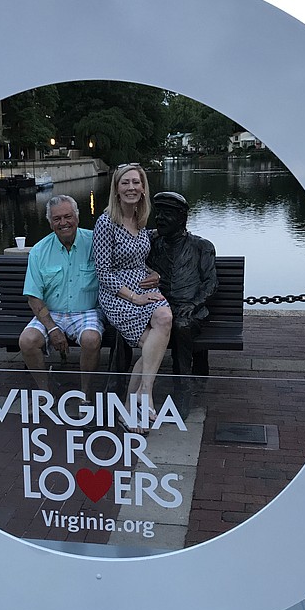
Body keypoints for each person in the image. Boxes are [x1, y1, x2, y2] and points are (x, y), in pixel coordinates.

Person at [93, 164, 172, 429]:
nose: (131, 188)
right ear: (116, 189)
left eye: (136, 183)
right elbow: (103, 273)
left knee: (164, 315)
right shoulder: (106, 223)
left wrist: (155, 274)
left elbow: (142, 256)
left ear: (143, 188)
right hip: (117, 293)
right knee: (152, 343)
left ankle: (142, 395)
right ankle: (133, 405)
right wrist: (134, 298)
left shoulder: (140, 219)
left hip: (142, 284)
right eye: (125, 183)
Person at [19, 194, 104, 396]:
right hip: (51, 312)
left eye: (68, 216)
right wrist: (52, 328)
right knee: (27, 341)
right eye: (57, 219)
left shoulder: (96, 242)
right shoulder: (39, 251)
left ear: (77, 217)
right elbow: (33, 296)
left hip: (87, 311)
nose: (63, 223)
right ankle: (44, 392)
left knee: (91, 340)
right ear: (50, 223)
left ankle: (85, 395)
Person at [144, 191, 218, 384]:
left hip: (188, 311)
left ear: (181, 218)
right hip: (156, 309)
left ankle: (181, 387)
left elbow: (211, 283)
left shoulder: (202, 246)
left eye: (166, 213)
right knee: (122, 323)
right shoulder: (151, 244)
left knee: (181, 325)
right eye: (158, 213)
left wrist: (193, 304)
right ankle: (117, 381)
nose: (159, 218)